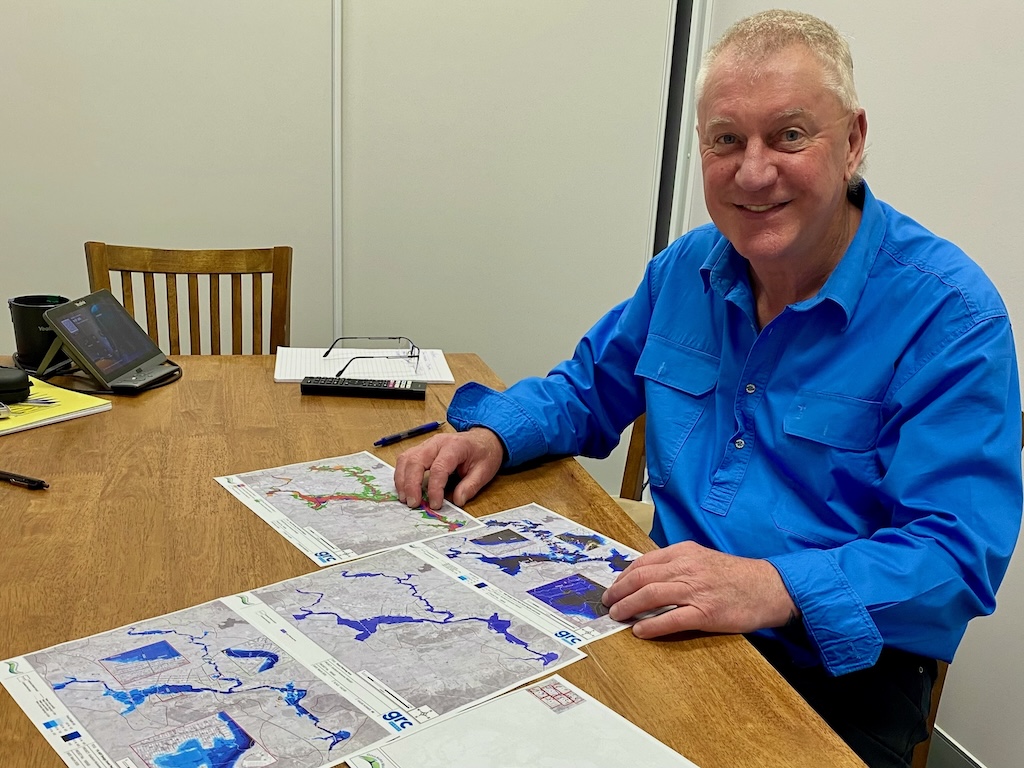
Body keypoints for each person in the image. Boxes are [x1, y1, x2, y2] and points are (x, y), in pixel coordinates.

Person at [394, 10, 1022, 767]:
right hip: (666, 615)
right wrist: (493, 433)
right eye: (726, 140)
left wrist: (773, 585)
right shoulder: (685, 267)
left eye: (790, 135)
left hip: (835, 668)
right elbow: (587, 388)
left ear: (853, 140)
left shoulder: (951, 315)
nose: (753, 172)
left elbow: (955, 555)